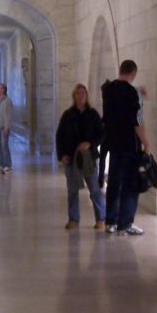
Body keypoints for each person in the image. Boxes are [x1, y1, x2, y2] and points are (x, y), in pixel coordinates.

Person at [102, 59, 151, 236]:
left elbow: (119, 94)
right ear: (133, 73)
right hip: (130, 144)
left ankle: (110, 222)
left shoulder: (108, 90)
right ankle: (125, 223)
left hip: (113, 143)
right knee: (131, 184)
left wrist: (137, 89)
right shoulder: (132, 93)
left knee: (114, 182)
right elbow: (137, 120)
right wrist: (146, 142)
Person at [56, 83, 106, 230]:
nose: (81, 95)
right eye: (78, 93)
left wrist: (90, 144)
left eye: (83, 93)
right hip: (71, 158)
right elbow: (60, 136)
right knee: (72, 190)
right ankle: (74, 219)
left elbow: (102, 134)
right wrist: (61, 155)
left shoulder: (93, 114)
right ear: (74, 96)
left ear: (86, 95)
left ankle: (101, 219)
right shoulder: (68, 115)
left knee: (95, 190)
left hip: (88, 158)